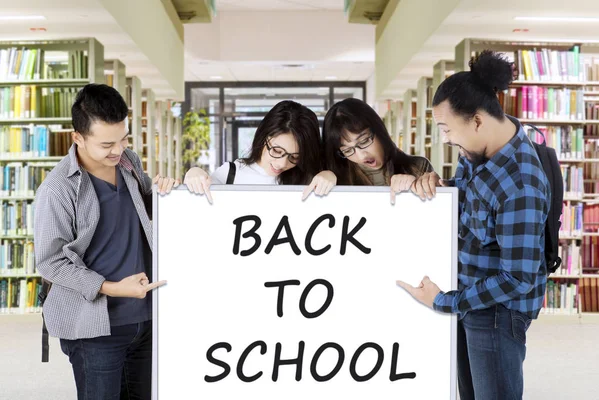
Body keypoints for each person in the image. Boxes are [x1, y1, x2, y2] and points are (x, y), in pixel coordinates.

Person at [396, 51, 550, 400]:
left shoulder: (520, 183)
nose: (447, 138)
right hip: (469, 300)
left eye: (448, 129)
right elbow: (469, 197)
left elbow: (518, 277)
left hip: (496, 314)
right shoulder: (478, 151)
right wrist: (439, 186)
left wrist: (444, 302)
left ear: (478, 121)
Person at [34, 83, 179, 400]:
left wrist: (166, 191)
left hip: (144, 319)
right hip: (95, 329)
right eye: (106, 144)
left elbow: (140, 210)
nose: (118, 149)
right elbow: (50, 262)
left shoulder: (128, 162)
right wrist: (113, 288)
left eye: (124, 138)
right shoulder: (57, 189)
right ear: (78, 138)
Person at [184, 100, 336, 201]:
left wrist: (329, 176)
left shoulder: (309, 179)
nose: (281, 163)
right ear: (263, 137)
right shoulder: (231, 173)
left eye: (294, 157)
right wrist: (194, 174)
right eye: (277, 151)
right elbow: (200, 201)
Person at [322, 97, 432, 203]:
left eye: (364, 141)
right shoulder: (336, 178)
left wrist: (415, 190)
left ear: (379, 130)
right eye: (347, 150)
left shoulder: (419, 167)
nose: (361, 156)